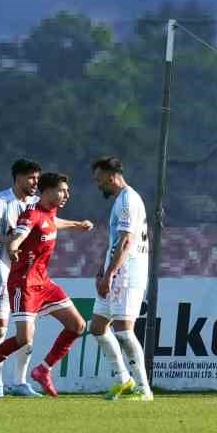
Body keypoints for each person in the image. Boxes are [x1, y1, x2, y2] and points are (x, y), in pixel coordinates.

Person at [0, 173, 94, 398]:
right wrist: (14, 247)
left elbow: (53, 223)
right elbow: (20, 233)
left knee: (78, 325)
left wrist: (77, 224)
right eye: (62, 190)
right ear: (46, 192)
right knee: (23, 339)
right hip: (23, 284)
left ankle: (43, 370)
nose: (67, 195)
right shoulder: (32, 214)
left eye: (67, 190)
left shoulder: (49, 214)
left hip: (44, 283)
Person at [90, 156, 154, 401]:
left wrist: (110, 274)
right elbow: (115, 242)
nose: (98, 185)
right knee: (97, 326)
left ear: (110, 175)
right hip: (115, 270)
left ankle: (143, 388)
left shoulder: (128, 200)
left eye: (99, 180)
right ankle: (124, 381)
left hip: (127, 272)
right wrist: (102, 269)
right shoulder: (121, 200)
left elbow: (127, 241)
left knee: (124, 331)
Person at [0, 159, 41, 397]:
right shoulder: (1, 200)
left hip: (28, 273)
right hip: (1, 269)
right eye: (31, 178)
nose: (36, 182)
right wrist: (10, 242)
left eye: (38, 177)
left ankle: (20, 381)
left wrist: (76, 224)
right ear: (18, 178)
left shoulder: (37, 204)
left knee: (27, 328)